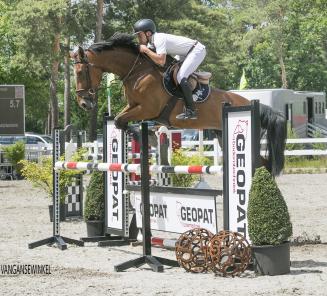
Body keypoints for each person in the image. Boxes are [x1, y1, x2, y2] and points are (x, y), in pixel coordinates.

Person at [133, 19, 206, 120]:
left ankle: (191, 110)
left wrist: (145, 50)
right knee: (170, 71)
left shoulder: (159, 39)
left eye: (139, 35)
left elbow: (161, 61)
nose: (138, 39)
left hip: (196, 50)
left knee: (180, 76)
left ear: (148, 33)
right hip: (185, 53)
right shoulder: (151, 42)